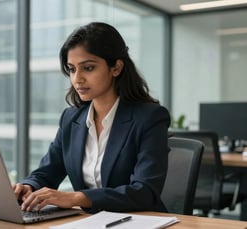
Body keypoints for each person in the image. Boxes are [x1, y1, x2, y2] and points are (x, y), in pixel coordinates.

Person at [12, 22, 170, 214]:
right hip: (88, 222)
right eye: (71, 69)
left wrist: (77, 197)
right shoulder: (71, 118)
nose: (77, 79)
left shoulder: (150, 117)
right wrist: (29, 187)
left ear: (116, 68)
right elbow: (47, 172)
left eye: (88, 68)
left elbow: (144, 192)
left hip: (138, 220)